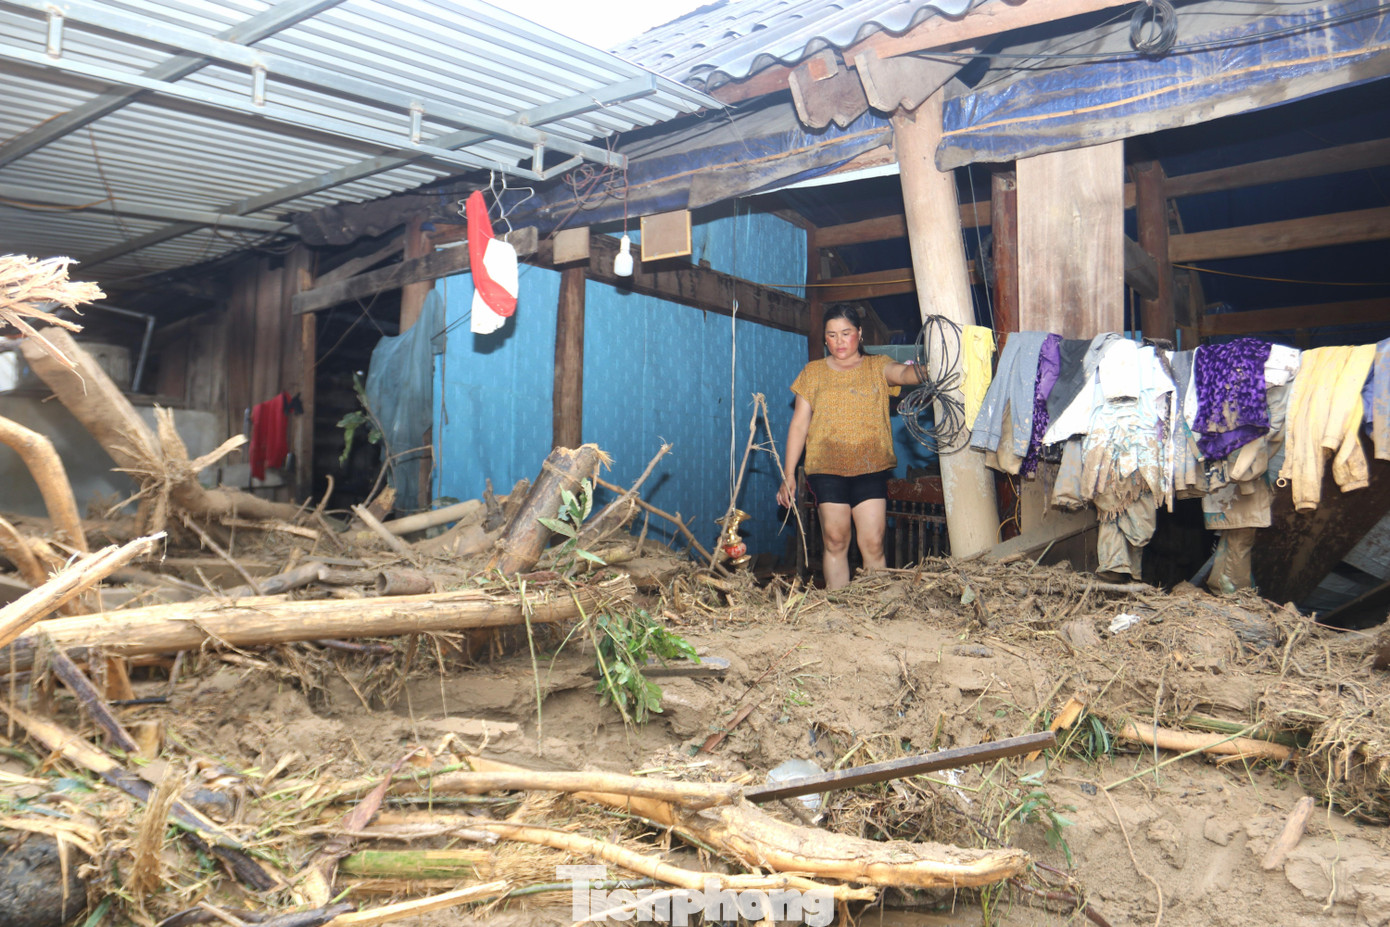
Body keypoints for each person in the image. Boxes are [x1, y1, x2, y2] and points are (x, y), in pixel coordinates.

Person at [777, 306, 920, 589]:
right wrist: (789, 473)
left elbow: (904, 375)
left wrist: (931, 370)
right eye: (832, 335)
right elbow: (799, 425)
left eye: (846, 333)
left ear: (859, 334)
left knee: (873, 542)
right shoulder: (813, 372)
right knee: (835, 540)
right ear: (825, 339)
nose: (839, 341)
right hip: (826, 468)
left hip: (870, 466)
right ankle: (838, 608)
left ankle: (876, 607)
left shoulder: (877, 366)